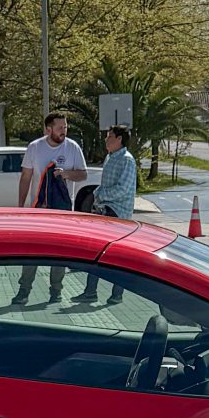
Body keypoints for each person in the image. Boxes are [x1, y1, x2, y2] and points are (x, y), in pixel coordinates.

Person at [10, 112, 90, 306]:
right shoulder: (35, 148)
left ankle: (56, 290)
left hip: (62, 211)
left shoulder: (72, 148)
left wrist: (66, 174)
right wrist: (21, 207)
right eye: (60, 127)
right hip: (38, 210)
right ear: (48, 129)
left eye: (65, 127)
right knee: (32, 251)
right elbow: (26, 177)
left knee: (59, 252)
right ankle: (24, 291)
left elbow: (83, 174)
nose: (64, 131)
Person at [64, 125, 138, 308]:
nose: (106, 140)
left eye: (109, 136)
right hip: (104, 210)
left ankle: (116, 295)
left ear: (119, 139)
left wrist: (100, 195)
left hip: (118, 213)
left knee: (116, 256)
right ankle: (90, 292)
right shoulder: (110, 157)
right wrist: (96, 196)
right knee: (96, 251)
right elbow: (105, 185)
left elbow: (123, 189)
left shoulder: (127, 160)